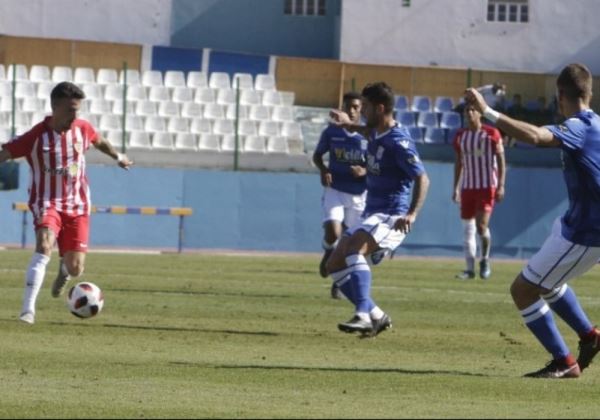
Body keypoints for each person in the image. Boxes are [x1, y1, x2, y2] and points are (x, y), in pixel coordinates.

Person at [465, 63, 600, 379]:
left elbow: (537, 136)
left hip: (586, 233)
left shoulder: (578, 127)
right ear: (589, 93)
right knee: (548, 283)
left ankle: (565, 363)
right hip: (573, 224)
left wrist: (489, 112)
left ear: (560, 94)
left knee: (523, 290)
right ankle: (590, 336)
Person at [0, 81, 133, 324]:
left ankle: (64, 270)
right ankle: (27, 310)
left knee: (76, 268)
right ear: (55, 107)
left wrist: (118, 156)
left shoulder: (82, 128)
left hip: (78, 204)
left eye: (78, 110)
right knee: (44, 245)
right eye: (71, 109)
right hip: (47, 201)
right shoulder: (35, 136)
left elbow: (99, 140)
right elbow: (5, 153)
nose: (75, 115)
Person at [327, 82, 430, 337]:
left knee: (354, 250)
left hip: (391, 215)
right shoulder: (376, 131)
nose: (362, 112)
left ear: (380, 108)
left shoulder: (399, 142)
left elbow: (422, 178)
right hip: (372, 214)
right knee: (334, 263)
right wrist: (347, 125)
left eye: (366, 108)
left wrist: (412, 213)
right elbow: (366, 131)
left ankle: (362, 314)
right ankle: (376, 315)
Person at [313, 92, 367, 278]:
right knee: (334, 232)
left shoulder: (368, 134)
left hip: (359, 194)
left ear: (362, 109)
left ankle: (339, 281)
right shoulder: (331, 132)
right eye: (348, 107)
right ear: (342, 108)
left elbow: (380, 164)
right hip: (335, 189)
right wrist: (323, 169)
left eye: (356, 107)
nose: (351, 111)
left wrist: (365, 171)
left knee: (351, 244)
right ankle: (328, 251)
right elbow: (317, 155)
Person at [452, 104, 506, 280]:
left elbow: (501, 159)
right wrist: (456, 187)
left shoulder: (492, 133)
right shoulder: (461, 136)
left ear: (480, 113)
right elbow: (459, 162)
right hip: (468, 186)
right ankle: (469, 269)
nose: (468, 113)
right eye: (467, 110)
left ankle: (484, 260)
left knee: (481, 226)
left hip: (487, 185)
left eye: (472, 110)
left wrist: (501, 185)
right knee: (467, 228)